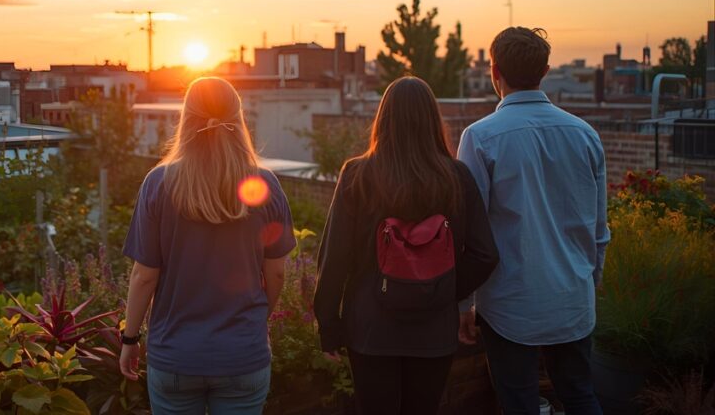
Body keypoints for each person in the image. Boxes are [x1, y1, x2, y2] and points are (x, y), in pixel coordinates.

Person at [314, 76, 499, 415]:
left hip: (370, 329)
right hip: (433, 331)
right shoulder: (457, 176)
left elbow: (334, 258)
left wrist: (329, 327)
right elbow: (485, 254)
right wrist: (442, 288)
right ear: (432, 120)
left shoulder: (357, 174)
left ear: (383, 119)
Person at [119, 76, 296, 415]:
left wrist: (130, 340)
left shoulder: (158, 183)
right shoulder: (265, 185)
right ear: (238, 118)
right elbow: (276, 274)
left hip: (175, 358)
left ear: (186, 118)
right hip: (242, 357)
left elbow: (144, 276)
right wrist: (257, 320)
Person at [457, 27, 609, 414]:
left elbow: (468, 233)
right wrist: (590, 282)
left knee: (519, 403)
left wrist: (463, 306)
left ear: (494, 71)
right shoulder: (585, 134)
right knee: (579, 395)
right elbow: (599, 229)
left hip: (510, 305)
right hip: (572, 297)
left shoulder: (480, 138)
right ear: (544, 71)